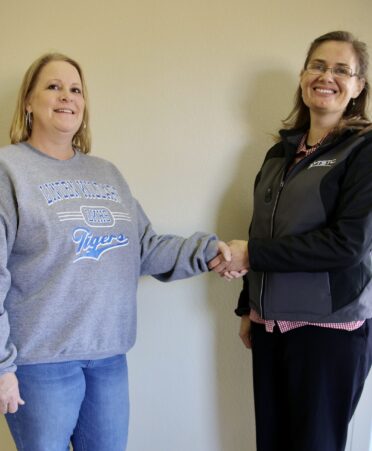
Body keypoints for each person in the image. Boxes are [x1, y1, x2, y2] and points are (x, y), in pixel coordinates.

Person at [0, 53, 231, 451]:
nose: (66, 97)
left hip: (108, 360)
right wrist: (2, 366)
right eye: (53, 87)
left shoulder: (106, 173)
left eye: (76, 89)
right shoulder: (9, 169)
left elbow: (144, 249)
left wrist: (209, 251)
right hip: (39, 364)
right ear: (28, 102)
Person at [209, 30, 372, 451]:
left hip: (329, 331)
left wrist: (253, 254)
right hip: (270, 327)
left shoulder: (364, 150)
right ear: (303, 76)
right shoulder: (279, 154)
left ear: (358, 87)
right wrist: (249, 306)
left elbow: (347, 245)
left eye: (341, 70)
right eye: (318, 65)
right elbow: (262, 231)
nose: (326, 76)